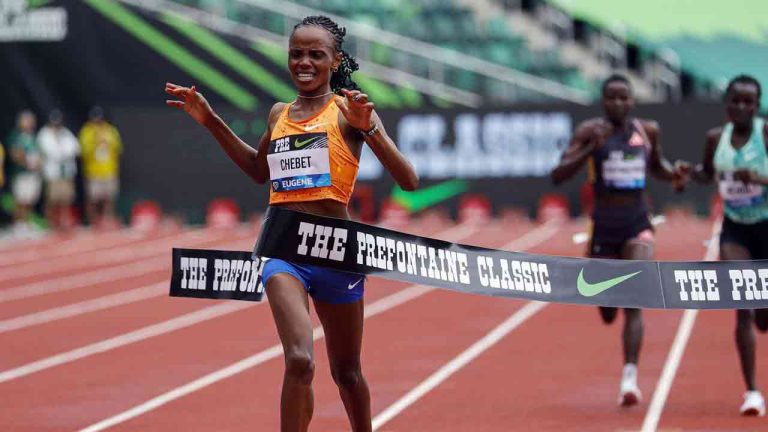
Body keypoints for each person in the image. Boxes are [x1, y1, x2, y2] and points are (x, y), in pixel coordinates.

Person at [165, 15, 418, 431]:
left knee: (347, 373)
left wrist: (369, 128)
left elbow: (408, 181)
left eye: (315, 54)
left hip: (338, 252)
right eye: (296, 53)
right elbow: (255, 169)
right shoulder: (279, 114)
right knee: (300, 360)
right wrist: (209, 119)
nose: (304, 61)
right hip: (284, 250)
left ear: (335, 62)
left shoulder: (349, 111)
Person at [551, 74, 688, 407]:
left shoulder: (647, 131)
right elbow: (558, 175)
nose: (619, 104)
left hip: (637, 220)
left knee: (634, 297)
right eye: (612, 98)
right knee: (608, 310)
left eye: (624, 98)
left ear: (632, 101)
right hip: (604, 227)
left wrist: (675, 175)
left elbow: (657, 166)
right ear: (603, 102)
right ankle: (608, 300)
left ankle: (630, 376)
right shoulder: (590, 132)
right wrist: (587, 150)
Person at [690, 74, 768, 416]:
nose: (740, 107)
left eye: (748, 102)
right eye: (735, 101)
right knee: (743, 303)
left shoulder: (765, 134)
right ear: (726, 104)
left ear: (757, 105)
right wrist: (686, 174)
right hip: (735, 230)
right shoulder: (714, 139)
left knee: (764, 317)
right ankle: (752, 391)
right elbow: (708, 173)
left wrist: (761, 178)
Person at [79, 106, 123, 228]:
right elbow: (83, 151)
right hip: (93, 170)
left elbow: (118, 149)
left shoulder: (110, 131)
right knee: (93, 198)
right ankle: (93, 222)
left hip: (109, 169)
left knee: (109, 197)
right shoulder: (87, 131)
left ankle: (107, 220)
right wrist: (95, 141)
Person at [37, 109, 80, 230]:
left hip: (66, 172)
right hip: (53, 173)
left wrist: (63, 153)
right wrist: (63, 153)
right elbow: (51, 152)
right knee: (52, 199)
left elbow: (76, 148)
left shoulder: (65, 133)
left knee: (66, 199)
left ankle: (64, 221)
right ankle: (50, 223)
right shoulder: (44, 134)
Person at [6, 110, 42, 235]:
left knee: (30, 200)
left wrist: (38, 163)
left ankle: (28, 222)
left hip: (32, 173)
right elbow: (14, 154)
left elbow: (39, 153)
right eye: (26, 121)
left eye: (31, 121)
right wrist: (28, 164)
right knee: (20, 200)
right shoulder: (16, 136)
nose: (29, 123)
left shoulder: (33, 136)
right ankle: (18, 225)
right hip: (21, 173)